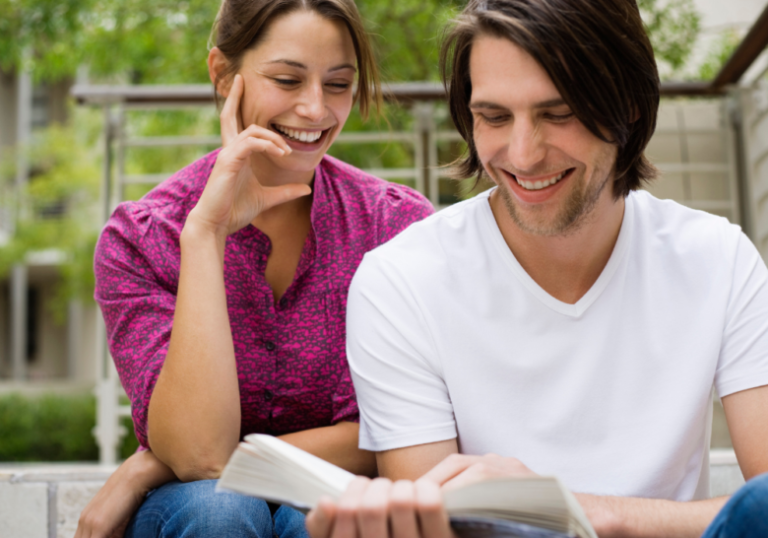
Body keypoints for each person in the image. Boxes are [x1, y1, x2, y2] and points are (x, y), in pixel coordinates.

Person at [303, 0, 768, 537]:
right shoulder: (401, 281)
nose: (523, 156)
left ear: (630, 105)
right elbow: (432, 527)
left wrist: (598, 514)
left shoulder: (719, 259)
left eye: (559, 113)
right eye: (494, 117)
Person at [75, 0, 433, 536]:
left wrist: (148, 463)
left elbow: (401, 431)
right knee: (218, 508)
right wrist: (205, 234)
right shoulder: (142, 239)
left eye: (338, 84)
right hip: (196, 514)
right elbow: (198, 458)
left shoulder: (396, 225)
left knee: (314, 513)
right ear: (223, 74)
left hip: (334, 495)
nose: (315, 109)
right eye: (288, 80)